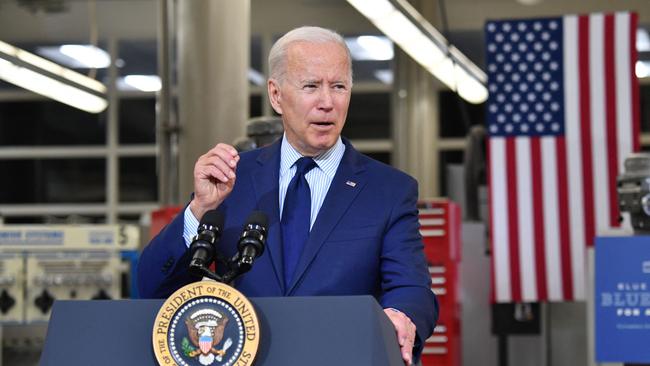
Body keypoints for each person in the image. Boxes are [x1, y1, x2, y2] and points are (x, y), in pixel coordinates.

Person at [137, 26, 438, 365]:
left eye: (338, 86)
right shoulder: (232, 179)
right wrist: (199, 209)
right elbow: (151, 287)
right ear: (276, 95)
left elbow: (412, 288)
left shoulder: (389, 190)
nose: (327, 102)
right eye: (311, 86)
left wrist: (400, 314)